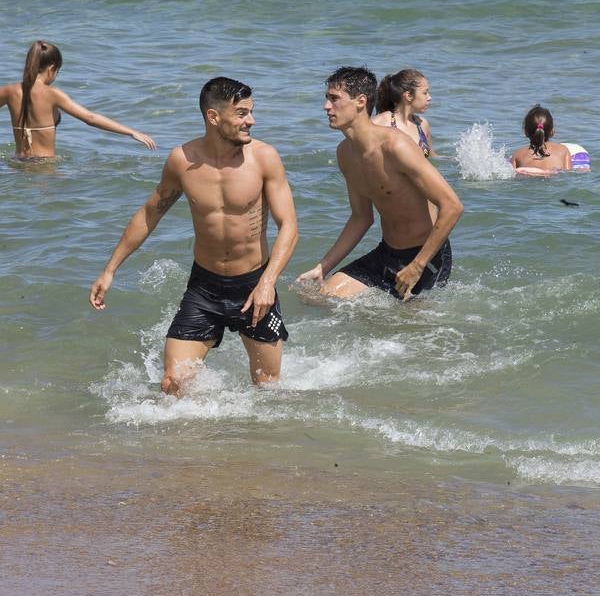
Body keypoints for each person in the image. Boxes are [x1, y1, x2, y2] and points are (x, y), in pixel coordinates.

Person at [89, 76, 298, 395]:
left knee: (267, 390)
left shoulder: (264, 158)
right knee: (173, 385)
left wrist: (268, 282)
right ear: (214, 117)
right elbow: (150, 213)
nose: (251, 121)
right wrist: (110, 269)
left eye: (251, 112)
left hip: (255, 285)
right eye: (242, 113)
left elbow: (290, 226)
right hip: (205, 288)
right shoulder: (182, 160)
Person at [297, 66, 463, 301]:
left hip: (426, 258)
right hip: (387, 253)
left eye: (334, 99)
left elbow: (452, 206)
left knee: (412, 330)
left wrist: (417, 266)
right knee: (320, 297)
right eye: (326, 99)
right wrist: (322, 267)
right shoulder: (345, 152)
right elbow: (361, 217)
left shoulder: (396, 146)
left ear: (360, 102)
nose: (326, 107)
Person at [0, 40, 156, 158]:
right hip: (44, 168)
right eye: (57, 71)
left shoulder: (8, 91)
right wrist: (131, 132)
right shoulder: (53, 94)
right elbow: (91, 118)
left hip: (18, 164)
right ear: (52, 68)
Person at [372, 68, 436, 157]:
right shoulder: (381, 123)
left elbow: (432, 157)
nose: (429, 98)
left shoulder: (422, 124)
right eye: (425, 93)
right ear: (408, 95)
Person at [511, 105, 572, 176]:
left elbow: (512, 175)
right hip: (553, 179)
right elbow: (568, 173)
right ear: (552, 132)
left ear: (525, 132)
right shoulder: (563, 150)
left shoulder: (517, 154)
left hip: (527, 180)